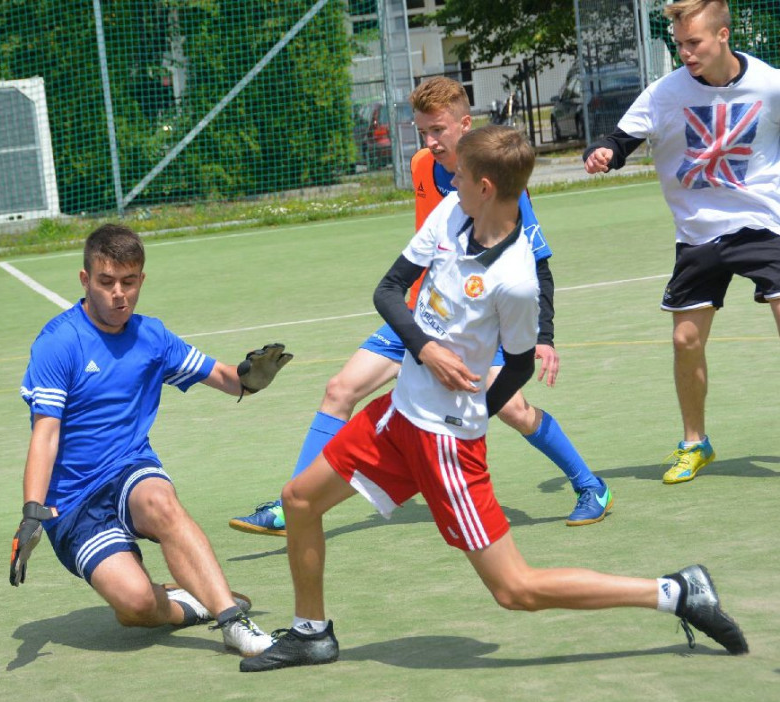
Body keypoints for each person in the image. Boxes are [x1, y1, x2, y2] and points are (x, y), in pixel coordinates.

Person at [240, 126, 748, 672]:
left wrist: (474, 412)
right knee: (298, 500)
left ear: (484, 186)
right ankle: (311, 633)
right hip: (395, 417)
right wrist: (426, 349)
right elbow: (387, 291)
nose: (448, 179)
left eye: (457, 174)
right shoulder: (449, 217)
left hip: (445, 445)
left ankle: (676, 592)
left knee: (515, 590)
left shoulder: (517, 278)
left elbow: (522, 361)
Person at [231, 77, 611, 535]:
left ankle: (590, 485)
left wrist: (544, 337)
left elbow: (538, 264)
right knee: (339, 390)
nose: (429, 142)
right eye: (422, 132)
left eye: (438, 131)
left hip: (474, 322)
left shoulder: (496, 180)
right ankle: (289, 504)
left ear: (465, 125)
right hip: (419, 315)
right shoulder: (419, 167)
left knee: (512, 409)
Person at [9, 223, 294, 657]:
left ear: (141, 279)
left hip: (128, 470)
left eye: (128, 282)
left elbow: (224, 377)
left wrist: (251, 380)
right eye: (106, 282)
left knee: (160, 501)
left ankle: (233, 625)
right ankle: (188, 604)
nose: (118, 294)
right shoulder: (59, 342)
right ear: (85, 280)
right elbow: (45, 433)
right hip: (70, 504)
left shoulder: (151, 337)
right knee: (136, 607)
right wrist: (32, 510)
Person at [583, 0, 780, 484]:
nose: (686, 53)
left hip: (764, 225)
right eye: (679, 44)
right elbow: (617, 138)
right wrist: (604, 152)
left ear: (723, 36)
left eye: (694, 43)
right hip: (698, 233)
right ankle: (695, 443)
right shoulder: (664, 92)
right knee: (685, 339)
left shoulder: (770, 86)